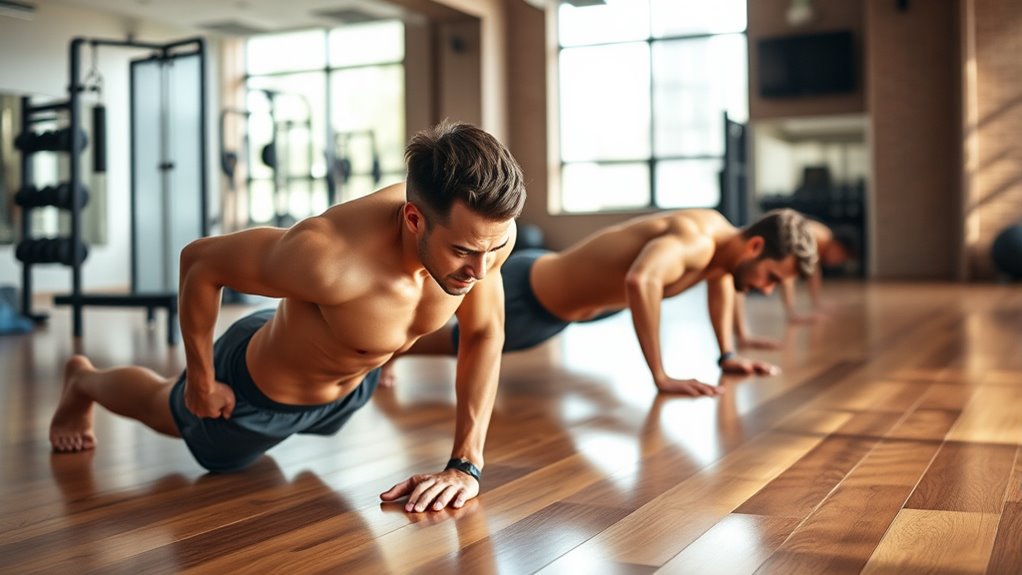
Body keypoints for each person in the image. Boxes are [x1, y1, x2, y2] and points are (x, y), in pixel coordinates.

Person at [48, 121, 527, 514]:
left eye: (496, 248)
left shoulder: (485, 234)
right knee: (166, 409)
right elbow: (200, 262)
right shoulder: (328, 257)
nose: (481, 270)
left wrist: (466, 464)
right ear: (413, 219)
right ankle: (84, 382)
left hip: (351, 383)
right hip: (257, 392)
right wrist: (200, 379)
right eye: (464, 251)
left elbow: (484, 331)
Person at [382, 208, 818, 396]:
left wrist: (726, 356)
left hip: (554, 312)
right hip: (527, 293)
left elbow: (721, 281)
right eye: (771, 279)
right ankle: (372, 356)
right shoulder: (696, 239)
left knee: (445, 342)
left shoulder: (722, 251)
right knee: (428, 339)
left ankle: (384, 354)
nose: (765, 289)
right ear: (757, 246)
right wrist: (661, 375)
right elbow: (641, 280)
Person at [733, 219, 857, 349]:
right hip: (752, 240)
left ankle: (742, 336)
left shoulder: (821, 238)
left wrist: (817, 302)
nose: (837, 262)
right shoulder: (817, 237)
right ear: (838, 246)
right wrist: (791, 313)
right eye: (842, 257)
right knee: (737, 282)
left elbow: (813, 271)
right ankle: (742, 336)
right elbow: (787, 273)